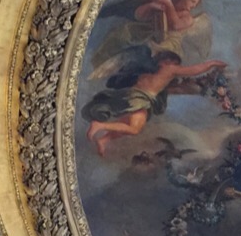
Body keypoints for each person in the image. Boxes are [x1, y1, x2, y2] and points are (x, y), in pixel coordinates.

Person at [83, 49, 227, 157]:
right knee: (134, 129)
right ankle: (99, 125)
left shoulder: (150, 72)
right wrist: (212, 63)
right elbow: (193, 70)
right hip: (141, 98)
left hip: (135, 96)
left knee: (126, 124)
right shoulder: (169, 68)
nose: (177, 68)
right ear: (168, 61)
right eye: (176, 64)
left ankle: (105, 139)